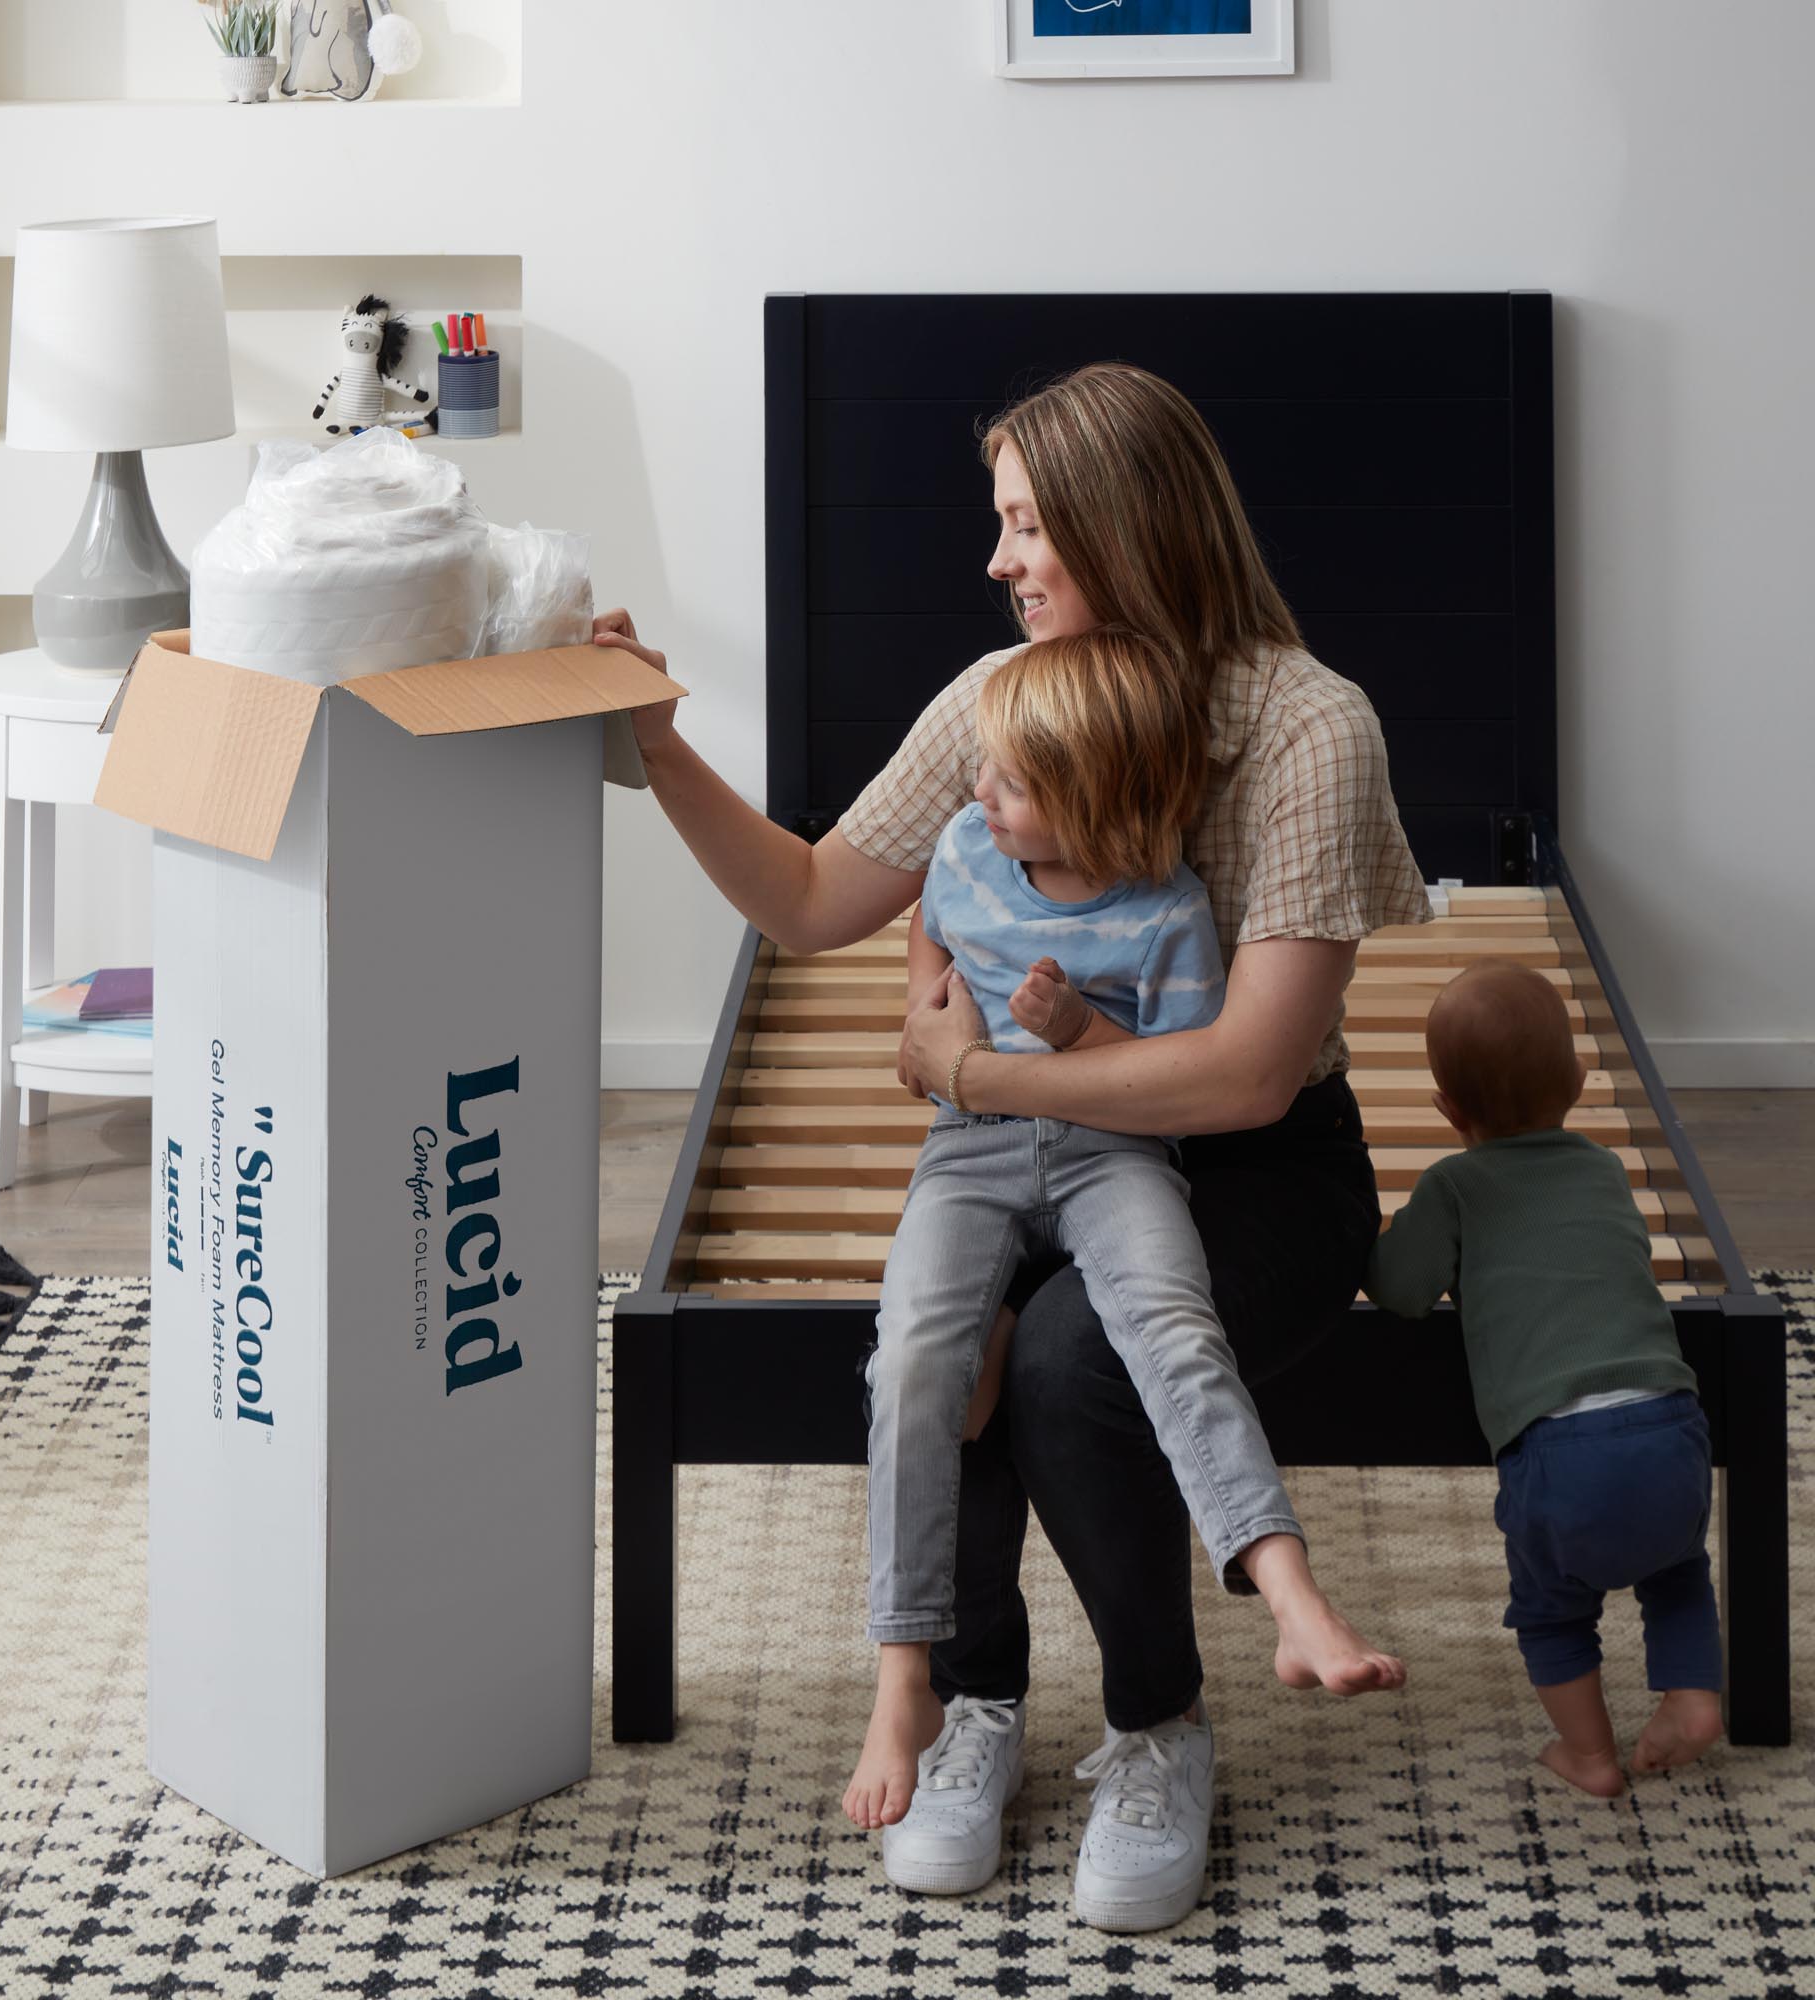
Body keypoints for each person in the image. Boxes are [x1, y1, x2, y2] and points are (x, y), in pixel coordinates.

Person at [594, 359, 1430, 1934]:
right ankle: (973, 1700)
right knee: (955, 1333)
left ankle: (1157, 1722)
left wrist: (974, 1072)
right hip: (1034, 1119)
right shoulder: (999, 705)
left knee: (1066, 1363)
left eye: (1028, 525)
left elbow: (1249, 1073)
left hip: (1256, 1165)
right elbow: (810, 901)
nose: (1000, 562)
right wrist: (657, 744)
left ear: (1123, 526)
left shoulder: (1312, 726)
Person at [844, 629, 1405, 1858]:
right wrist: (935, 1040)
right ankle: (917, 1682)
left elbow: (1182, 1072)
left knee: (1163, 1329)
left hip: (1114, 1151)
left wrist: (1079, 1032)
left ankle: (1284, 1591)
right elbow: (918, 1005)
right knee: (918, 1362)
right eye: (982, 774)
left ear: (1099, 797)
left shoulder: (1170, 911)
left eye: (1009, 782)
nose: (978, 795)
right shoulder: (959, 848)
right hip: (972, 1153)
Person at [1364, 961, 1722, 1797]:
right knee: (1677, 1569)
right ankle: (1693, 1697)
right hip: (1670, 1421)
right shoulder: (1603, 1168)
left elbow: (1400, 1291)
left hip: (1562, 1449)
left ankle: (1590, 1755)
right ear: (1579, 1080)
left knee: (1553, 1607)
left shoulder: (1456, 1183)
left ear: (1449, 1111)